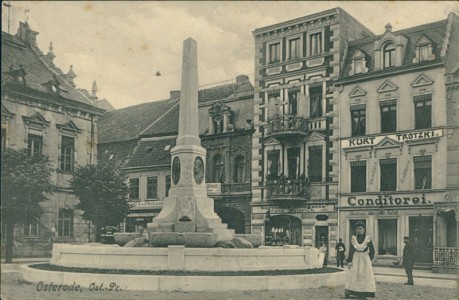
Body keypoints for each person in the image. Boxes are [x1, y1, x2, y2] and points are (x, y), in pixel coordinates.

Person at [345, 221, 376, 299]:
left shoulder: (367, 238)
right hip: (356, 258)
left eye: (361, 228)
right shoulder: (354, 239)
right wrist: (349, 260)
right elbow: (351, 250)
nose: (359, 230)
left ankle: (366, 292)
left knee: (365, 275)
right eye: (357, 229)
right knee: (354, 274)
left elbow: (372, 250)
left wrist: (368, 258)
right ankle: (353, 291)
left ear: (364, 229)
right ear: (356, 230)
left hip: (364, 259)